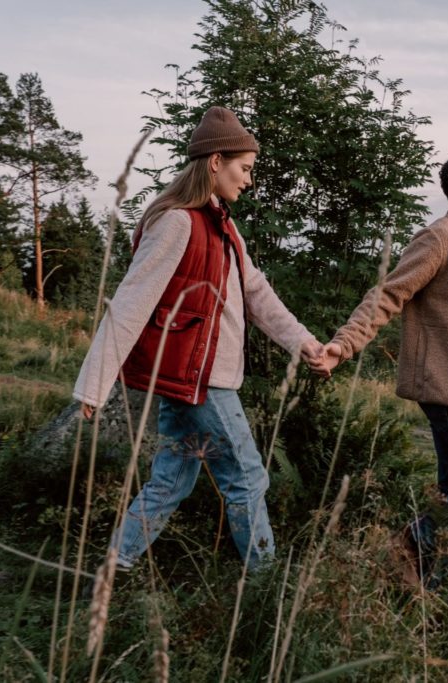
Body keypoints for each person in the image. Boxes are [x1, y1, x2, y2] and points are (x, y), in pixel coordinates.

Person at [73, 106, 325, 571]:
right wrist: (95, 383)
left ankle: (114, 569)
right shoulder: (177, 223)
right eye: (244, 169)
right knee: (247, 477)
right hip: (201, 381)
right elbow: (130, 302)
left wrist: (305, 343)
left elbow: (256, 293)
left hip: (194, 382)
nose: (249, 180)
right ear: (215, 162)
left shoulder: (222, 226)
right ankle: (265, 583)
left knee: (172, 480)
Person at [322, 149, 448, 584]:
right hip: (447, 387)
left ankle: (425, 590)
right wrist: (344, 345)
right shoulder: (438, 239)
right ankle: (415, 540)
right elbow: (387, 296)